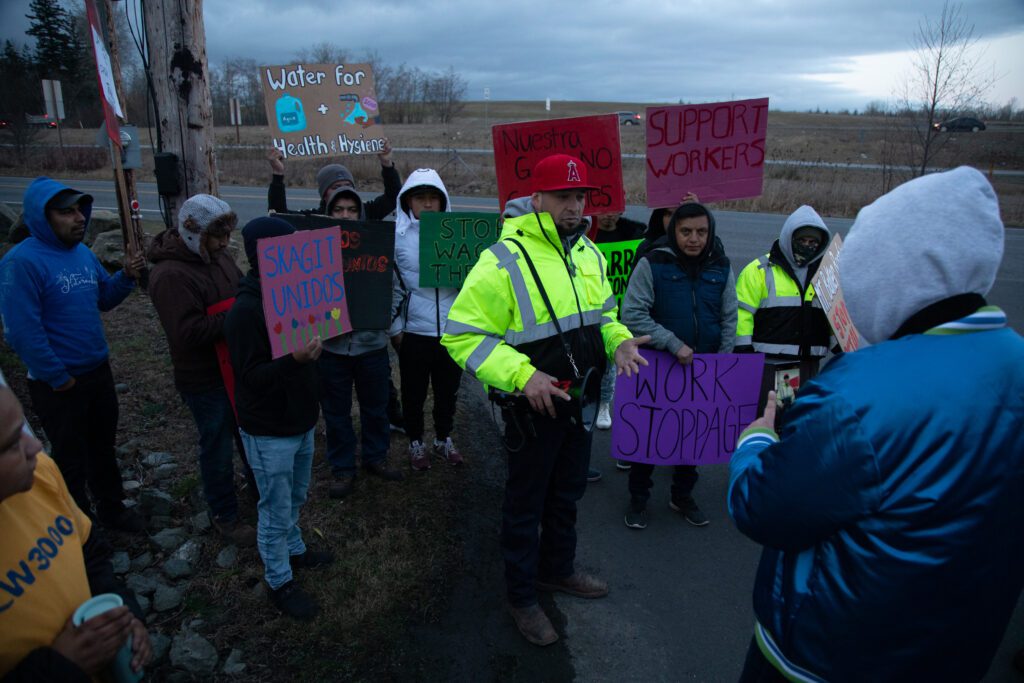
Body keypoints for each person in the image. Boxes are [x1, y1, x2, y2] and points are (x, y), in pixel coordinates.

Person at [728, 166, 1024, 683]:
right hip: (957, 652)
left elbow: (762, 506)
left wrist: (756, 438)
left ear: (890, 274)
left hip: (825, 657)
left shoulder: (855, 393)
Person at [442, 154, 649, 646]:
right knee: (525, 504)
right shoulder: (502, 260)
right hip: (530, 410)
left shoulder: (590, 255)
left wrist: (618, 340)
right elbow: (461, 336)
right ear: (536, 200)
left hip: (578, 402)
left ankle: (557, 569)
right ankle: (521, 596)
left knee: (567, 494)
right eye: (563, 196)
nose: (574, 206)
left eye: (580, 197)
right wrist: (522, 374)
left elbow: (604, 317)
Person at [0, 178, 145, 532]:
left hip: (98, 371)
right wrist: (57, 376)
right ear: (41, 216)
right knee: (70, 457)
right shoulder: (22, 263)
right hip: (59, 384)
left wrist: (125, 276)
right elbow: (22, 331)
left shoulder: (82, 253)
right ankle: (81, 527)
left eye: (80, 210)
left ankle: (112, 508)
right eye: (66, 212)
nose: (78, 218)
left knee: (102, 447)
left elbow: (103, 299)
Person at [0, 384, 152, 681]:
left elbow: (91, 556)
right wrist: (61, 668)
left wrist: (124, 616)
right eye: (10, 445)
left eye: (23, 430)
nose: (35, 447)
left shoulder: (40, 473)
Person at [224, 217, 334, 621]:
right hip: (268, 430)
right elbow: (250, 378)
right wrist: (296, 360)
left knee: (296, 496)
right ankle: (279, 581)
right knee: (273, 507)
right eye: (288, 249)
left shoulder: (296, 296)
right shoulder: (245, 313)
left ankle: (295, 549)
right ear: (265, 256)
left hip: (301, 419)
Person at [268, 144, 406, 431]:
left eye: (346, 186)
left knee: (378, 392)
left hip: (368, 332)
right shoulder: (315, 223)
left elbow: (394, 197)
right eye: (334, 188)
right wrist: (278, 177)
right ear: (324, 195)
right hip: (332, 334)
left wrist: (387, 164)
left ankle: (391, 420)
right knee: (334, 398)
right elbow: (279, 216)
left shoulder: (366, 214)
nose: (344, 207)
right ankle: (340, 451)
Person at [146, 194, 256, 546]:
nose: (225, 243)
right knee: (217, 446)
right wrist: (237, 316)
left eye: (226, 235)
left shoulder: (219, 257)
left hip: (235, 368)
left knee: (249, 436)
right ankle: (224, 513)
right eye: (217, 236)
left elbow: (239, 288)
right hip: (205, 379)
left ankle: (259, 493)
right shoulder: (169, 275)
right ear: (195, 233)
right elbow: (186, 333)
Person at [620, 201, 736, 530]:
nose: (694, 239)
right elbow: (632, 314)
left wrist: (722, 365)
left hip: (704, 366)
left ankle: (682, 496)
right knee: (649, 437)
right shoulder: (652, 262)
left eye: (701, 231)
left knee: (692, 437)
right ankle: (639, 498)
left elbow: (729, 317)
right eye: (686, 231)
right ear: (673, 231)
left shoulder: (721, 266)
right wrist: (672, 344)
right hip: (658, 364)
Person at [319, 187, 405, 499]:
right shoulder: (316, 250)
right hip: (332, 348)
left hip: (371, 346)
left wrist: (383, 318)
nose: (345, 215)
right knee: (336, 412)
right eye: (338, 209)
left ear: (360, 213)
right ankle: (342, 468)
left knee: (375, 407)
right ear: (329, 213)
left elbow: (396, 288)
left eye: (351, 210)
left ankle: (375, 457)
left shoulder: (377, 244)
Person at [391, 169, 464, 470]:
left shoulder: (460, 234)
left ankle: (443, 438)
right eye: (421, 198)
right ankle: (415, 442)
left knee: (448, 390)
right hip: (414, 331)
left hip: (451, 330)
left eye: (434, 197)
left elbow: (473, 284)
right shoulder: (395, 238)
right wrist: (395, 329)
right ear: (408, 201)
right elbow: (391, 287)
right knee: (413, 392)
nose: (428, 204)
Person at [734, 205, 832, 380]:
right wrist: (743, 349)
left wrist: (841, 344)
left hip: (810, 363)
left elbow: (833, 315)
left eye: (812, 242)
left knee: (805, 408)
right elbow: (742, 313)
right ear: (789, 238)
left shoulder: (826, 274)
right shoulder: (759, 270)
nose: (807, 246)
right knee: (773, 408)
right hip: (769, 363)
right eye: (801, 241)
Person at [588, 212, 647, 431]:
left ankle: (604, 403)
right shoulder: (584, 233)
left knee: (611, 360)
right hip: (594, 303)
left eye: (612, 210)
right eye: (603, 211)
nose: (607, 216)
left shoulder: (636, 234)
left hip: (624, 306)